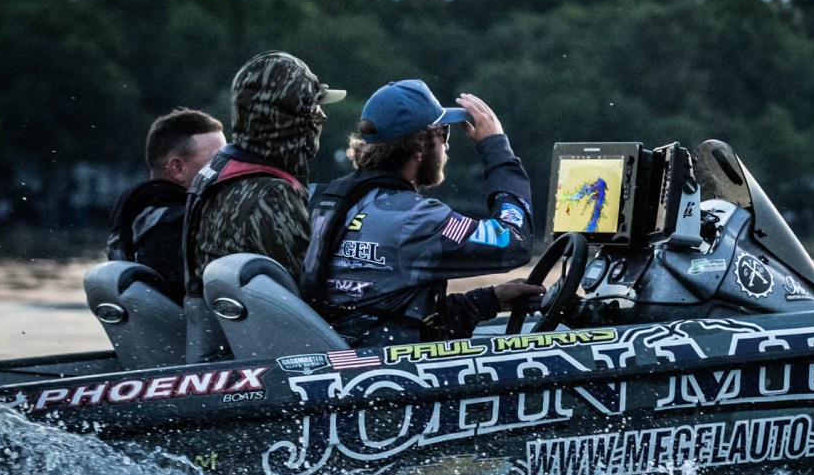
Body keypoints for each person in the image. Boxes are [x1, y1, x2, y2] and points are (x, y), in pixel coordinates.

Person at [301, 79, 543, 347]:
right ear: (421, 147)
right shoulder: (416, 219)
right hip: (386, 370)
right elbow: (514, 241)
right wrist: (496, 149)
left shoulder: (318, 200)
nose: (446, 147)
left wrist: (489, 300)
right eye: (443, 134)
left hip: (336, 359)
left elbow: (378, 312)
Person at [182, 50, 345, 361]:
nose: (321, 117)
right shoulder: (272, 195)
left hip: (221, 357)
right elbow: (311, 301)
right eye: (314, 107)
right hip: (272, 371)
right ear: (290, 118)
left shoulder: (217, 173)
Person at [105, 108, 225, 303]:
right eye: (217, 161)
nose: (226, 168)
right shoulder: (175, 228)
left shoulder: (133, 215)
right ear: (177, 169)